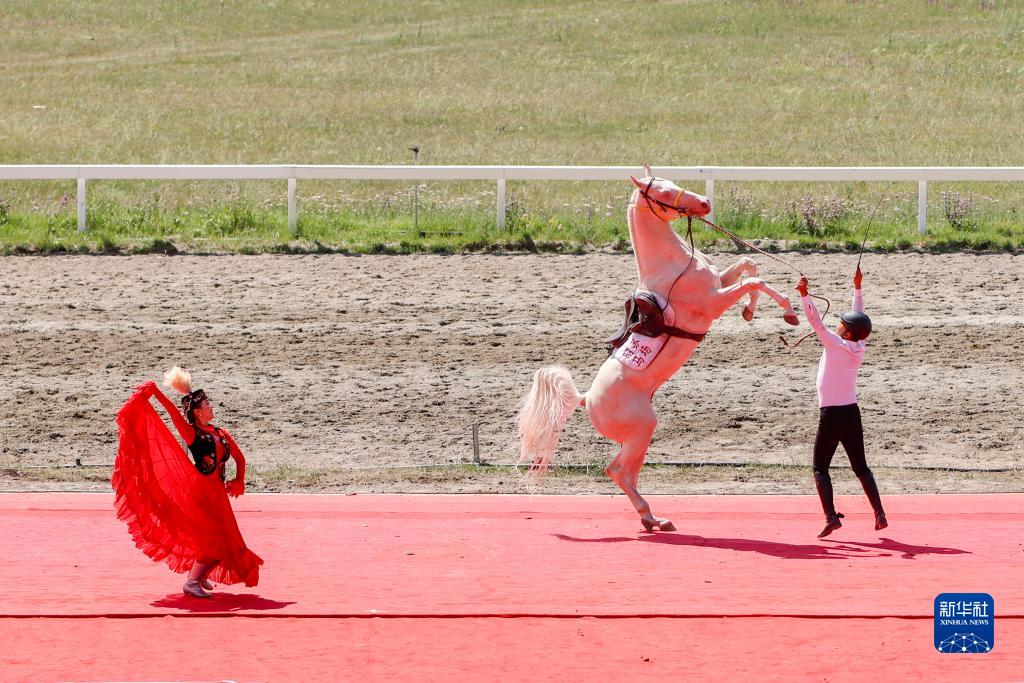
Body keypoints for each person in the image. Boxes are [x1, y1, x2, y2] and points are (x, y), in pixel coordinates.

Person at [112, 367, 263, 597]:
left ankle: (199, 576)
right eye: (207, 404)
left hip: (218, 497)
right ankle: (192, 582)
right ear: (197, 412)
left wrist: (239, 481)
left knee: (227, 543)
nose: (211, 406)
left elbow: (240, 459)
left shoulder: (221, 433)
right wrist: (155, 392)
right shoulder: (192, 434)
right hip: (200, 495)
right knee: (212, 542)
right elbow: (173, 414)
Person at [797, 267, 887, 538]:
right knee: (860, 467)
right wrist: (857, 287)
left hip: (831, 416)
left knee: (819, 468)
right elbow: (859, 317)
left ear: (847, 333)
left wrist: (804, 295)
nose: (838, 325)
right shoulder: (858, 344)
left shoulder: (835, 344)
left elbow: (815, 322)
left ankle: (831, 518)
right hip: (851, 413)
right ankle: (879, 513)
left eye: (842, 324)